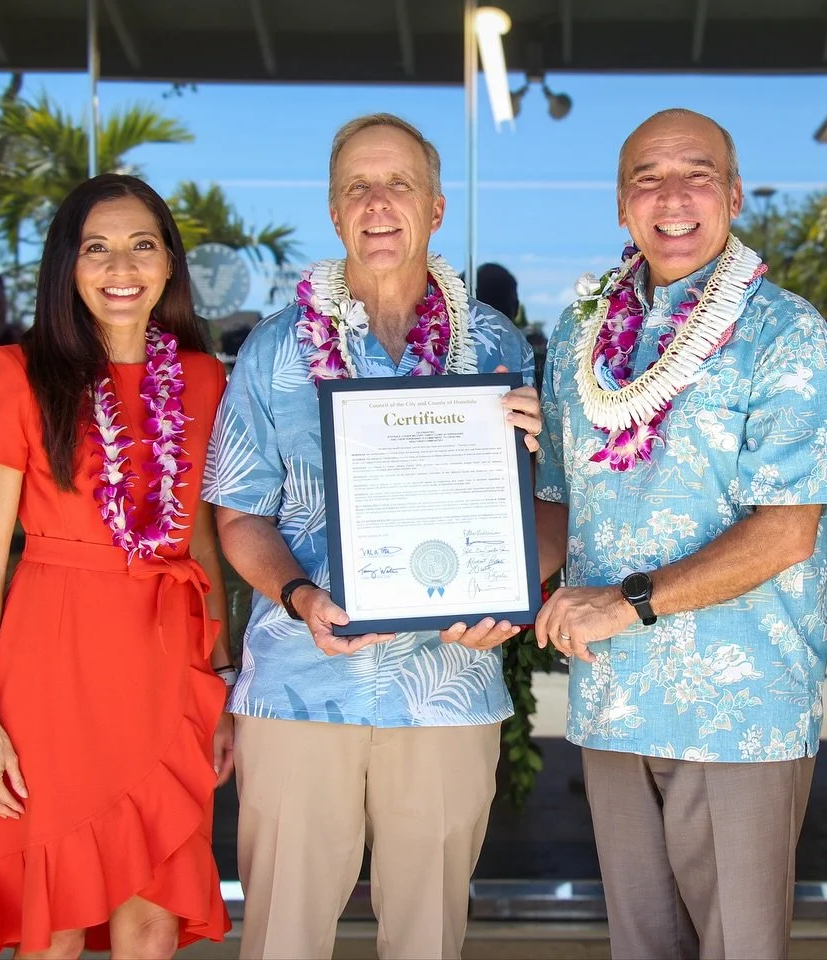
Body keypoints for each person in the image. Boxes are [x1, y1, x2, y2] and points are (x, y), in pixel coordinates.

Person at [203, 113, 540, 960]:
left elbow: (553, 502)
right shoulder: (275, 351)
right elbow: (240, 512)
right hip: (299, 689)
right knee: (284, 937)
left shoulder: (498, 347)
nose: (378, 202)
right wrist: (299, 592)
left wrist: (516, 586)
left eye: (398, 185)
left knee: (428, 936)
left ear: (434, 206)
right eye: (358, 186)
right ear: (333, 211)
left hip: (450, 685)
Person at [532, 108, 827, 960]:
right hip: (612, 702)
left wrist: (626, 603)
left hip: (736, 711)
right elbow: (559, 503)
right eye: (646, 178)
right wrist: (483, 589)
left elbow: (786, 531)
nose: (672, 196)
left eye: (697, 172)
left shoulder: (786, 333)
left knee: (737, 946)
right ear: (622, 207)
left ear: (735, 194)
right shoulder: (578, 336)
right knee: (642, 947)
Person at [0, 173, 234, 958]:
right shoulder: (16, 373)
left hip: (163, 662)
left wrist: (218, 683)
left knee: (150, 911)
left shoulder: (205, 380)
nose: (122, 267)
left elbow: (205, 544)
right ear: (67, 268)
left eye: (143, 245)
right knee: (57, 922)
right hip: (50, 665)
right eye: (97, 248)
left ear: (170, 265)